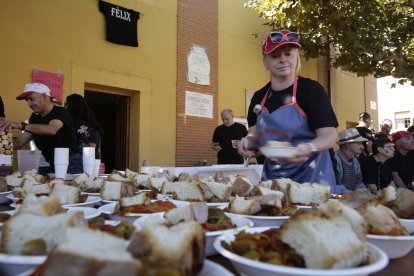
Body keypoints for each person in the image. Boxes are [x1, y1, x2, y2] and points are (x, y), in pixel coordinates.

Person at [238, 29, 340, 193]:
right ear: (265, 61)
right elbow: (255, 136)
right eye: (275, 56)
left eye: (288, 53)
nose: (283, 59)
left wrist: (308, 148)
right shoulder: (259, 97)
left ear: (296, 56)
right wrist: (247, 143)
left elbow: (329, 135)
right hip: (274, 184)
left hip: (313, 183)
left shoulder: (311, 90)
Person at [0, 83, 82, 174]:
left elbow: (52, 129)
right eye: (27, 100)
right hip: (52, 164)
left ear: (44, 96)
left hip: (72, 163)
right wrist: (2, 145)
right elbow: (20, 142)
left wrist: (21, 125)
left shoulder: (60, 112)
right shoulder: (35, 118)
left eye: (31, 99)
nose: (29, 104)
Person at [65, 93, 103, 159]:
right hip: (90, 163)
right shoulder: (90, 122)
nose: (65, 106)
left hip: (78, 161)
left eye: (66, 103)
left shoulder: (71, 121)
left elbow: (90, 148)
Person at [334, 128, 368, 193]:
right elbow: (337, 187)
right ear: (348, 145)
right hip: (339, 201)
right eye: (359, 143)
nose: (363, 147)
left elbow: (359, 183)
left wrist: (364, 192)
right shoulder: (335, 160)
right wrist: (355, 195)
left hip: (353, 199)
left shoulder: (355, 161)